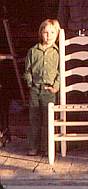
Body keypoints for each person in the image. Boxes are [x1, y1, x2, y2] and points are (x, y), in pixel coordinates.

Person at [23, 19, 61, 156]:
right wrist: (30, 83)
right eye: (45, 32)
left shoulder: (57, 52)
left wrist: (56, 86)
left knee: (48, 120)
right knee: (34, 119)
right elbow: (27, 70)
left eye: (52, 32)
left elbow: (60, 71)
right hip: (35, 90)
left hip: (49, 90)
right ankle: (33, 147)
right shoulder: (33, 51)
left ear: (57, 35)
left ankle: (48, 147)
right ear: (41, 33)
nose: (49, 35)